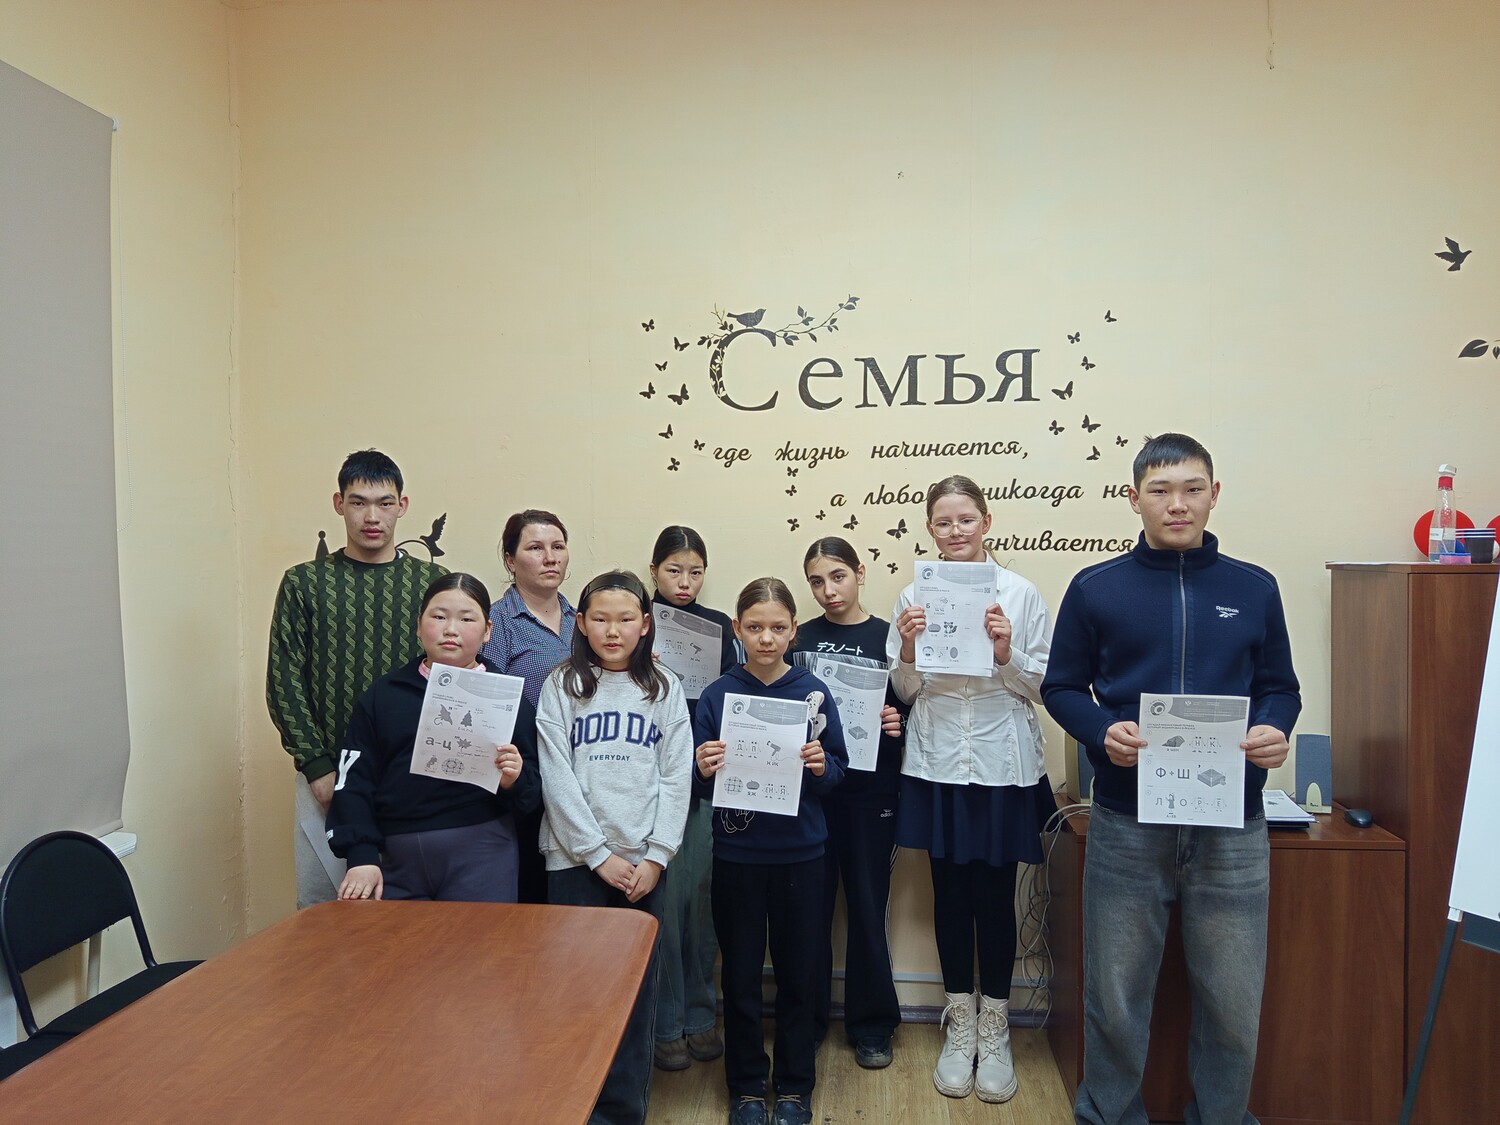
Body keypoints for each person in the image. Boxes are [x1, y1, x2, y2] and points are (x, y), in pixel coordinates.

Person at [1041, 434, 1301, 1125]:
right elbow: (1061, 686)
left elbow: (1280, 688)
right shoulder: (1096, 587)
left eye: (1192, 489)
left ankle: (1222, 1116)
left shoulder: (1254, 588)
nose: (1177, 504)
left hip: (1231, 828)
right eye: (1160, 490)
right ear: (1134, 499)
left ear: (1215, 494)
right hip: (1127, 823)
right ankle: (1107, 1114)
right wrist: (1102, 731)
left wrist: (1274, 728)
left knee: (1233, 1002)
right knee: (1115, 995)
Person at [886, 475, 1054, 1104]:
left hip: (1001, 762)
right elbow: (905, 692)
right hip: (936, 762)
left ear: (987, 520)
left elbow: (1044, 689)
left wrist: (1006, 652)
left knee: (994, 896)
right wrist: (908, 647)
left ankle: (996, 1027)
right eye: (943, 522)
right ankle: (959, 1024)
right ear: (930, 529)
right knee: (950, 895)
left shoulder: (1021, 593)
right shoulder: (914, 594)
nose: (954, 531)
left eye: (965, 519)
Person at [536, 570, 694, 1125]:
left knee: (633, 999)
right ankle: (577, 1108)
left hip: (643, 868)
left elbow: (676, 777)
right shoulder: (561, 685)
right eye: (600, 618)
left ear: (645, 625)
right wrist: (597, 854)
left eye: (625, 619)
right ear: (580, 623)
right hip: (575, 863)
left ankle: (623, 1113)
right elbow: (556, 776)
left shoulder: (665, 687)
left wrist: (657, 856)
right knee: (577, 994)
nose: (612, 630)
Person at [695, 578, 848, 1125]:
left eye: (778, 627)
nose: (766, 638)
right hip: (737, 856)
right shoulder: (718, 695)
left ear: (793, 631)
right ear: (737, 629)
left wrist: (821, 766)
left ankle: (794, 1087)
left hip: (801, 855)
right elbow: (699, 782)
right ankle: (744, 1088)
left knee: (799, 976)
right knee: (738, 977)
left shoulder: (813, 692)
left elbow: (838, 771)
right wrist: (702, 767)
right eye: (755, 627)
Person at [267, 449, 447, 908]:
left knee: (412, 917)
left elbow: (451, 671)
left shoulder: (433, 583)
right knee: (325, 912)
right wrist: (317, 767)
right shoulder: (304, 583)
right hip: (326, 775)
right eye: (358, 502)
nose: (372, 517)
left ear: (402, 506)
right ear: (338, 504)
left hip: (414, 776)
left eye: (384, 503)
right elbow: (285, 682)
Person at [326, 573, 541, 902]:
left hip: (483, 851)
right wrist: (361, 856)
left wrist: (514, 779)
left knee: (481, 937)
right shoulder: (385, 695)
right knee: (388, 937)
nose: (451, 629)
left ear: (487, 630)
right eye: (439, 617)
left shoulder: (509, 699)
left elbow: (535, 790)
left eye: (466, 619)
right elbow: (355, 779)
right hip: (394, 856)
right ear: (418, 625)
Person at [791, 537, 906, 1069]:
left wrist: (897, 722)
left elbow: (911, 703)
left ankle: (873, 1024)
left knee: (866, 907)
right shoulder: (799, 638)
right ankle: (808, 1020)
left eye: (837, 576)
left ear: (860, 572)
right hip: (812, 794)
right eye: (816, 581)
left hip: (871, 792)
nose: (828, 590)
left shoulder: (887, 637)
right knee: (808, 913)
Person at [647, 525, 738, 1072]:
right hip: (649, 781)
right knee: (663, 905)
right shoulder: (635, 620)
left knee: (699, 903)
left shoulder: (720, 626)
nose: (685, 582)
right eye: (674, 570)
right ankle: (665, 1023)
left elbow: (733, 698)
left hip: (703, 780)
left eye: (695, 571)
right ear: (654, 570)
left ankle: (702, 1016)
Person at [481, 508, 574, 904]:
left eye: (558, 547)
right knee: (532, 893)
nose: (550, 558)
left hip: (579, 773)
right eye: (535, 548)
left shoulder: (582, 618)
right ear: (510, 559)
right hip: (525, 776)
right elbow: (489, 702)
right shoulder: (497, 621)